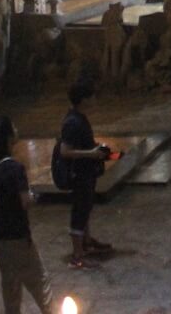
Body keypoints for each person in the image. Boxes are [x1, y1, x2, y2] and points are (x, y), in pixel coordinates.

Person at [0, 116, 54, 314]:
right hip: (17, 233)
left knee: (11, 284)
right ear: (7, 138)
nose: (16, 128)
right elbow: (25, 201)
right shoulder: (14, 168)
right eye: (12, 127)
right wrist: (35, 197)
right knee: (40, 281)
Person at [57, 78, 113, 269]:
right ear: (83, 100)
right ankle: (78, 254)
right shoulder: (73, 122)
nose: (95, 99)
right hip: (78, 174)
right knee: (80, 211)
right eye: (92, 96)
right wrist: (90, 153)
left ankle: (87, 242)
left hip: (86, 172)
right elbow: (65, 151)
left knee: (86, 207)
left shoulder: (79, 118)